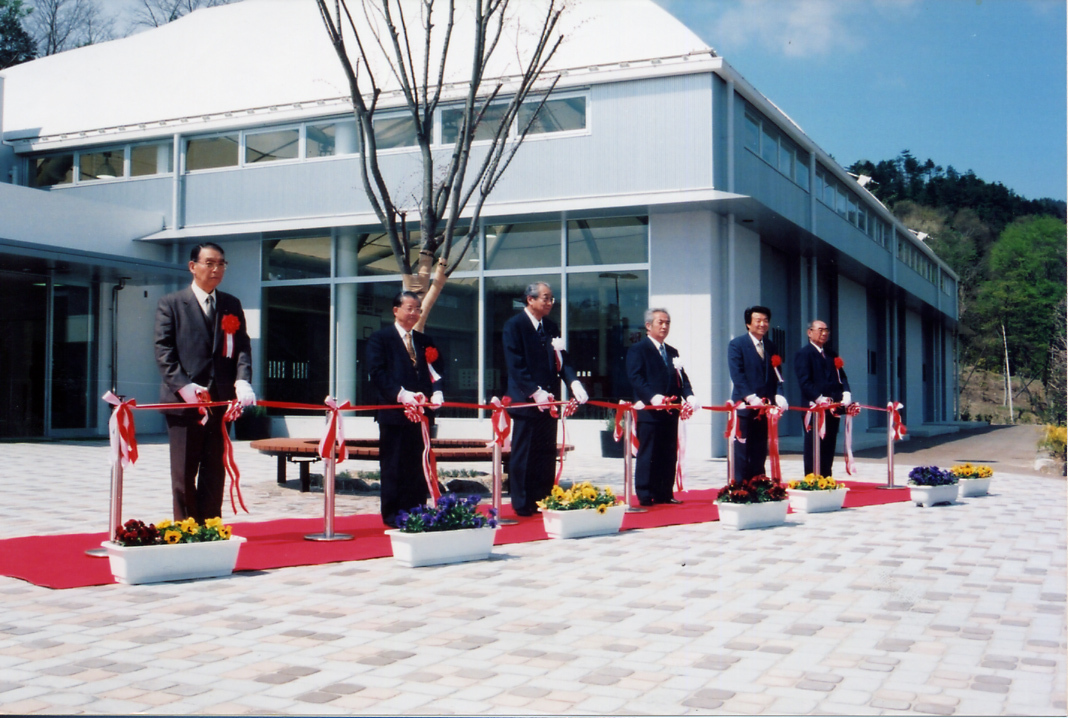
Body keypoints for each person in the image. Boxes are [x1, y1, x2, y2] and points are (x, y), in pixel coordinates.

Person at [155, 242, 255, 521]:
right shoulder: (171, 304)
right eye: (210, 263)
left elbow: (242, 348)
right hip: (184, 404)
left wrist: (242, 380)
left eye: (221, 263)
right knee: (184, 471)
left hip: (221, 403)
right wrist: (183, 386)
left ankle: (211, 527)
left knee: (214, 469)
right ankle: (186, 529)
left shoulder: (230, 304)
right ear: (193, 266)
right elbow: (164, 351)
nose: (216, 269)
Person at [502, 282, 588, 516]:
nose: (550, 303)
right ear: (530, 300)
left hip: (549, 402)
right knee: (524, 453)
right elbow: (516, 364)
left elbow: (562, 360)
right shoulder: (514, 326)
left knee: (545, 454)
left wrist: (574, 382)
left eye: (552, 299)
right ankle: (521, 503)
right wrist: (535, 391)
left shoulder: (550, 326)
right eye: (546, 298)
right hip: (527, 400)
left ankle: (542, 499)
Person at [366, 291, 444, 528]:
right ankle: (393, 515)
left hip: (422, 416)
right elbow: (377, 373)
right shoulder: (380, 339)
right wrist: (401, 394)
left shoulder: (424, 340)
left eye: (418, 309)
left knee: (418, 466)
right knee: (394, 465)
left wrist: (438, 391)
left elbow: (436, 371)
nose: (414, 313)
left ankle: (417, 511)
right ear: (396, 310)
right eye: (409, 308)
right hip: (394, 413)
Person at [626, 308, 698, 505]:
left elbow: (682, 379)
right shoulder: (638, 349)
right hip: (650, 411)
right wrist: (652, 397)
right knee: (648, 452)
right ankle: (644, 492)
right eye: (661, 322)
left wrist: (689, 396)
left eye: (667, 322)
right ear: (649, 326)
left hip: (671, 410)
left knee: (668, 452)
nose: (665, 326)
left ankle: (664, 492)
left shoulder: (672, 352)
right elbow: (636, 377)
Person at [727, 305, 787, 483]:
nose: (762, 324)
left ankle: (757, 483)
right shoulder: (737, 344)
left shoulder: (770, 346)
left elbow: (778, 375)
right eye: (758, 320)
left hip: (765, 408)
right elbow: (737, 375)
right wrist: (750, 397)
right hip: (745, 407)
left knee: (760, 448)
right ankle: (739, 487)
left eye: (765, 320)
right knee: (742, 450)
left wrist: (779, 394)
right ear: (748, 324)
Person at [794, 319, 852, 476]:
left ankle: (826, 477)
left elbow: (842, 377)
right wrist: (820, 399)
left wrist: (846, 393)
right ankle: (812, 479)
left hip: (833, 408)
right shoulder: (804, 354)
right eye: (820, 330)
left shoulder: (831, 354)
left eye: (826, 330)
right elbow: (804, 382)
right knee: (814, 445)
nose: (824, 333)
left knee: (829, 444)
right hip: (815, 409)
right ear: (809, 332)